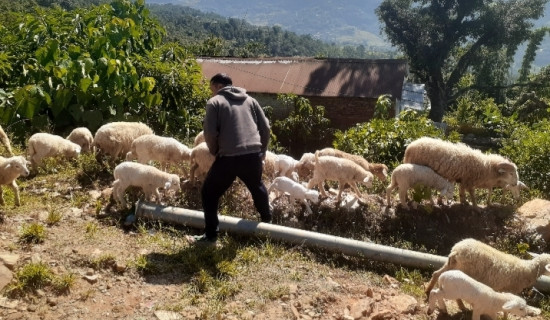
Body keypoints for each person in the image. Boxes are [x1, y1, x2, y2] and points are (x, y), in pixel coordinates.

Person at [190, 73, 272, 244]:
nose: (212, 93)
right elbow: (265, 127)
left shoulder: (215, 102)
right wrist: (262, 150)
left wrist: (215, 151)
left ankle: (211, 236)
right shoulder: (250, 100)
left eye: (212, 88)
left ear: (218, 86)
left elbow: (210, 133)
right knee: (257, 187)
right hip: (252, 155)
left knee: (209, 193)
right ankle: (269, 227)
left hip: (228, 157)